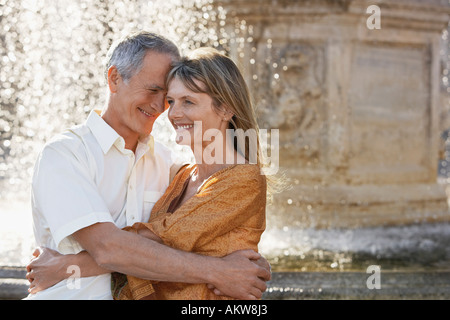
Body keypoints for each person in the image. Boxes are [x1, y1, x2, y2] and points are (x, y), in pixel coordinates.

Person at [25, 32, 270, 300]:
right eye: (155, 91)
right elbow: (109, 249)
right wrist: (219, 270)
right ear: (114, 79)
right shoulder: (64, 155)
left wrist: (67, 267)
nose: (163, 109)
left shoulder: (166, 164)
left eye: (167, 97)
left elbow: (191, 233)